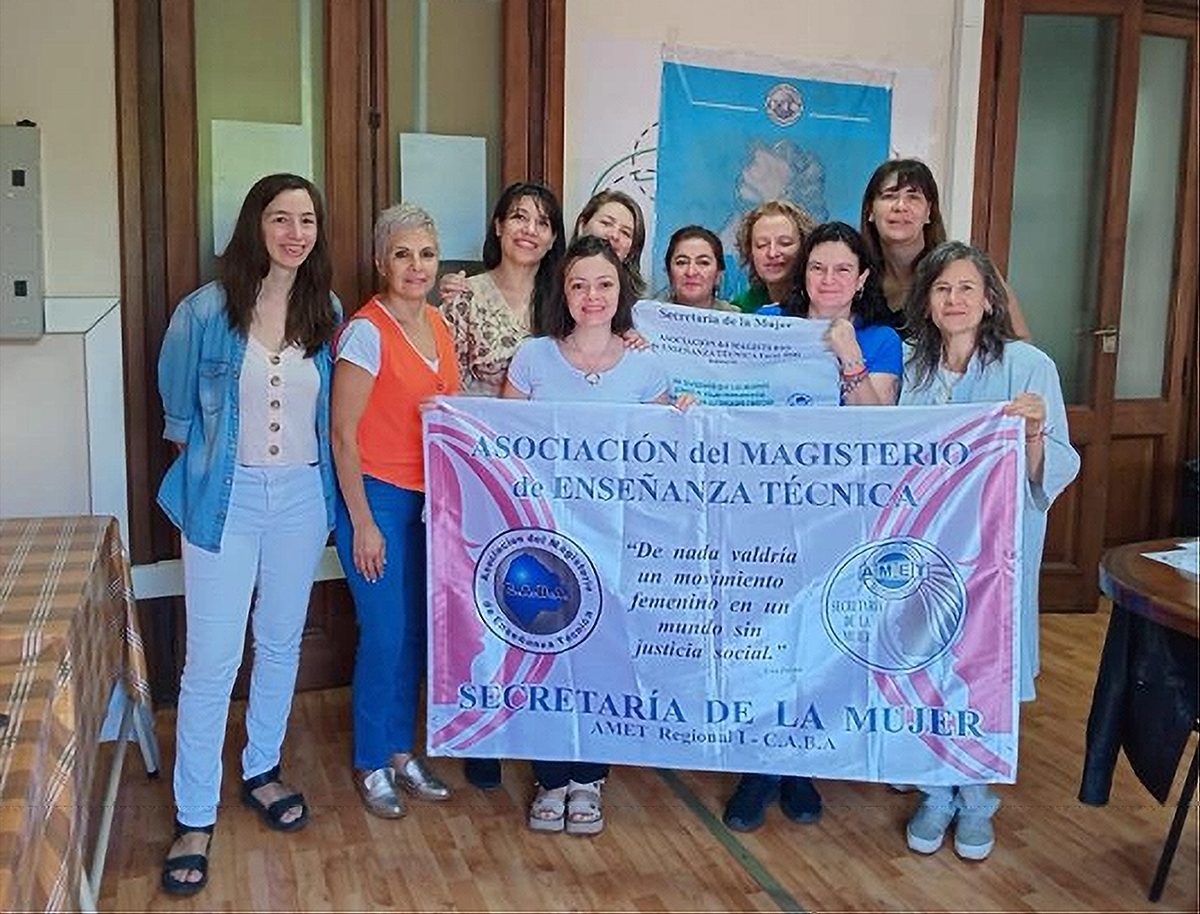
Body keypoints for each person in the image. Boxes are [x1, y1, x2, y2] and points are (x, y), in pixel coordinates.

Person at [156, 173, 340, 896]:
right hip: (223, 498)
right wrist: (218, 482)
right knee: (210, 657)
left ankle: (261, 767)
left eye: (306, 220)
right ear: (254, 225)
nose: (295, 232)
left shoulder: (324, 309)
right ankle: (193, 812)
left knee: (282, 639)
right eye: (280, 218)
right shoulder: (203, 312)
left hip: (301, 494)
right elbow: (179, 423)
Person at [501, 234, 692, 835]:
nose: (591, 295)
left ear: (620, 292)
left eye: (604, 284)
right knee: (548, 652)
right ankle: (551, 777)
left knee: (607, 654)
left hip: (617, 537)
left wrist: (684, 415)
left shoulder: (646, 365)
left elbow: (666, 456)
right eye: (579, 283)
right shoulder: (532, 357)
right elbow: (499, 442)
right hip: (546, 538)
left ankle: (589, 779)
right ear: (563, 290)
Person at [898, 241, 1079, 860]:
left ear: (989, 299)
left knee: (985, 669)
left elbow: (1056, 465)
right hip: (931, 548)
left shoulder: (1029, 365)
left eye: (966, 289)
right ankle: (933, 791)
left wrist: (1031, 432)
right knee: (930, 662)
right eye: (942, 289)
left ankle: (975, 798)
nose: (954, 300)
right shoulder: (912, 366)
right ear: (926, 299)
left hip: (996, 551)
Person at [723, 221, 902, 832]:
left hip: (839, 513)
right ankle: (758, 764)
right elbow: (732, 398)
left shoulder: (880, 340)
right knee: (764, 636)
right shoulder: (771, 327)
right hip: (765, 507)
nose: (828, 280)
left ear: (863, 279)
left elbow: (878, 425)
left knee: (816, 638)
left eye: (842, 270)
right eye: (818, 268)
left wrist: (848, 356)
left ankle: (796, 765)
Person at [331, 203, 460, 818]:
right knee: (382, 633)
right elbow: (342, 435)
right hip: (377, 499)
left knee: (413, 633)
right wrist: (361, 522)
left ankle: (400, 750)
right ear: (381, 261)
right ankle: (370, 759)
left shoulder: (438, 324)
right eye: (403, 254)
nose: (416, 266)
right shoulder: (365, 330)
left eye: (426, 254)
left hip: (428, 502)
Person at [860, 158, 1029, 337]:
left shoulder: (970, 269)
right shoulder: (853, 275)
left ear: (929, 212)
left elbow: (1021, 347)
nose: (901, 206)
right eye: (889, 196)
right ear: (870, 210)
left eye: (913, 197)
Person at [438, 182, 566, 395]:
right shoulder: (466, 297)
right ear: (499, 226)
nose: (530, 230)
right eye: (519, 218)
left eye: (542, 223)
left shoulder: (564, 300)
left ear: (552, 239)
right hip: (478, 424)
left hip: (548, 424)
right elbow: (445, 383)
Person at [730, 200, 816, 313]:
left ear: (804, 247)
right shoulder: (740, 309)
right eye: (762, 245)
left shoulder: (821, 303)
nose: (772, 253)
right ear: (749, 252)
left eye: (785, 243)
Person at [570, 188, 648, 296]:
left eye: (625, 232)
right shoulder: (550, 287)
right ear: (582, 226)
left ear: (630, 251)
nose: (615, 235)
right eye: (606, 223)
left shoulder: (637, 309)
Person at [664, 225, 739, 311]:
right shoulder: (649, 316)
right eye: (682, 262)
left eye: (703, 263)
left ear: (718, 274)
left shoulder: (739, 319)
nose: (691, 272)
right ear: (669, 272)